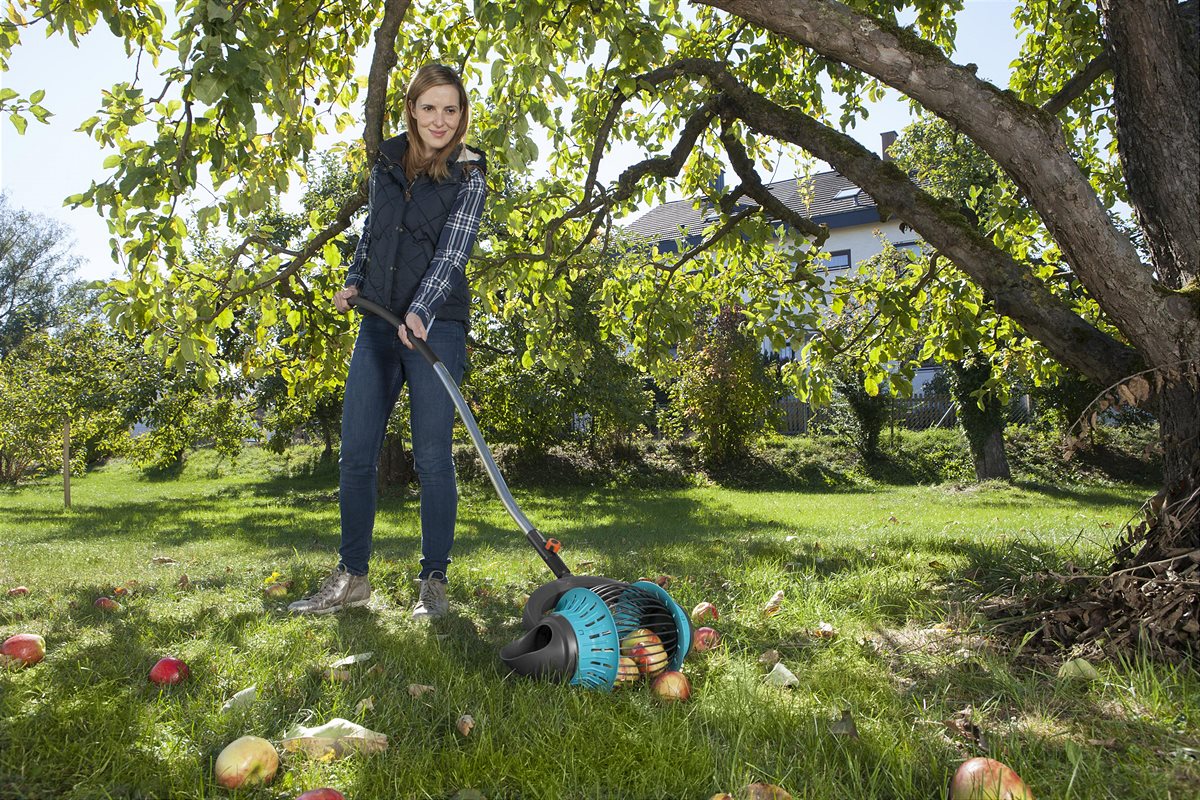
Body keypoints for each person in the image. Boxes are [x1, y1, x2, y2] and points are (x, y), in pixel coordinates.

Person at [289, 64, 487, 620]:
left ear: (461, 115)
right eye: (429, 108)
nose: (440, 120)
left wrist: (421, 311)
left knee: (432, 457)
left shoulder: (471, 175)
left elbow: (453, 252)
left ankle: (433, 581)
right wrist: (355, 277)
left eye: (451, 109)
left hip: (436, 325)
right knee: (356, 456)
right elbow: (375, 232)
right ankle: (353, 578)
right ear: (412, 111)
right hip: (378, 322)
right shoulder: (386, 163)